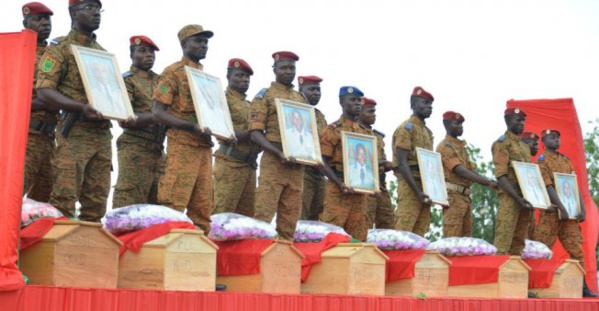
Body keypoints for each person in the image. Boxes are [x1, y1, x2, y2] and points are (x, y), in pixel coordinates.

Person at [36, 0, 110, 222]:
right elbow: (44, 91)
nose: (96, 13)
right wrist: (80, 107)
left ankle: (89, 253)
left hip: (101, 133)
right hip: (74, 130)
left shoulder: (103, 54)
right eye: (89, 8)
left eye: (99, 9)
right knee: (64, 200)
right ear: (74, 13)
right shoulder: (60, 48)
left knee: (96, 203)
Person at [152, 24, 220, 233]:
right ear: (184, 44)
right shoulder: (173, 73)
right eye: (198, 41)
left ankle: (199, 256)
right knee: (173, 204)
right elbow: (158, 112)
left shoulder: (207, 80)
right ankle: (164, 252)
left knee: (202, 209)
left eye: (205, 42)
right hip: (182, 145)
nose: (203, 46)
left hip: (204, 148)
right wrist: (191, 126)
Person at [249, 51, 308, 241]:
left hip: (297, 166)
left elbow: (308, 134)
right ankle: (256, 257)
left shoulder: (301, 100)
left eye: (292, 68)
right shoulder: (265, 96)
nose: (288, 72)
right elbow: (255, 133)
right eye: (283, 67)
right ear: (274, 69)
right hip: (274, 162)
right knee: (263, 214)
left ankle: (285, 260)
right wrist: (278, 153)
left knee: (290, 218)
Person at [534, 129, 597, 297]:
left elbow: (574, 186)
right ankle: (533, 286)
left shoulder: (566, 161)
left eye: (558, 137)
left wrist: (582, 208)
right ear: (544, 141)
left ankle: (583, 287)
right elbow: (547, 186)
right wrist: (560, 206)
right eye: (552, 137)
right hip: (552, 214)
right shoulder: (542, 161)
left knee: (577, 249)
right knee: (541, 249)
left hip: (569, 215)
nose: (556, 140)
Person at [112, 35, 165, 208]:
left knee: (158, 205)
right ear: (131, 55)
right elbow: (125, 117)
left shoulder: (162, 82)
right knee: (129, 202)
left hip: (158, 149)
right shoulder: (126, 80)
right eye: (142, 51)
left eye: (151, 52)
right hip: (135, 147)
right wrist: (158, 117)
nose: (149, 55)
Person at [319, 86, 371, 241]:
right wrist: (339, 183)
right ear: (342, 102)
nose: (357, 103)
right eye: (353, 100)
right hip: (338, 190)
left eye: (359, 100)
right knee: (332, 235)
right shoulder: (332, 130)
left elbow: (368, 164)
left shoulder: (365, 133)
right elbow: (321, 162)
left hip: (360, 193)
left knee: (359, 237)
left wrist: (371, 184)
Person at [436, 111, 497, 237]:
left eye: (462, 124)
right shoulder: (445, 147)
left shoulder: (461, 147)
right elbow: (460, 171)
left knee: (466, 239)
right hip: (453, 197)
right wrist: (488, 182)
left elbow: (471, 170)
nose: (460, 126)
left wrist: (490, 181)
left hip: (465, 197)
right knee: (452, 238)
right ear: (446, 125)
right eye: (456, 123)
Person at [212, 58, 260, 217]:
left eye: (247, 77)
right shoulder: (221, 99)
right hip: (230, 164)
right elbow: (222, 128)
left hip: (249, 166)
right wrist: (254, 135)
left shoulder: (250, 105)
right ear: (228, 76)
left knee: (245, 218)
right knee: (221, 214)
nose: (244, 80)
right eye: (239, 75)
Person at [22, 2, 56, 202]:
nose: (45, 23)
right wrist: (46, 102)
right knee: (13, 193)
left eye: (48, 19)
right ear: (25, 22)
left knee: (43, 200)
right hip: (25, 135)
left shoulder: (55, 55)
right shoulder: (18, 52)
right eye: (38, 19)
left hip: (49, 137)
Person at [392, 86, 435, 236]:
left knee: (420, 232)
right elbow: (402, 163)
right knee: (404, 231)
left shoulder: (427, 132)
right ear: (414, 104)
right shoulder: (406, 128)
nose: (429, 107)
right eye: (425, 103)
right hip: (410, 186)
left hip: (425, 187)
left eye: (431, 104)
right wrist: (417, 191)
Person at [491, 107, 533, 255]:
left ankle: (515, 276)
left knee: (519, 243)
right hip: (510, 197)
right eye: (518, 120)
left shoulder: (524, 147)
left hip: (525, 198)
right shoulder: (502, 144)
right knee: (503, 241)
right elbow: (501, 176)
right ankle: (498, 277)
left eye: (523, 120)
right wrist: (517, 198)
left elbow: (530, 176)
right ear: (507, 121)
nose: (522, 123)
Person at [359, 97, 395, 228]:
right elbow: (359, 161)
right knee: (364, 222)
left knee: (388, 222)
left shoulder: (377, 136)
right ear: (359, 112)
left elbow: (382, 161)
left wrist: (388, 166)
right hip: (364, 184)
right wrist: (383, 162)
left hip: (380, 184)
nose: (374, 115)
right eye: (370, 112)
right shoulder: (354, 134)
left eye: (374, 112)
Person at [298, 75, 327, 220]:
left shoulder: (320, 116)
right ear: (300, 90)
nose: (316, 93)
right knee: (300, 214)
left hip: (319, 173)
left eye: (318, 90)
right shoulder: (293, 112)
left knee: (318, 216)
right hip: (302, 171)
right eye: (312, 89)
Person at [520, 131, 539, 238]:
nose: (537, 147)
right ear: (526, 145)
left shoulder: (531, 165)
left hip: (530, 206)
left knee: (531, 238)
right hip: (520, 205)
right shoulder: (518, 162)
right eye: (534, 144)